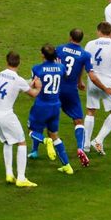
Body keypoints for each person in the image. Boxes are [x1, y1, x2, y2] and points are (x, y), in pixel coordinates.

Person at [54, 28, 111, 166]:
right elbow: (92, 76)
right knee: (78, 121)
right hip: (70, 91)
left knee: (47, 118)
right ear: (81, 39)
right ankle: (81, 148)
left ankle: (40, 146)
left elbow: (52, 64)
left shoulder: (59, 49)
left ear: (70, 36)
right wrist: (105, 88)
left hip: (55, 88)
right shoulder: (84, 54)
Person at [0, 51, 40, 187]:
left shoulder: (0, 74)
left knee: (7, 141)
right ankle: (21, 178)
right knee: (22, 142)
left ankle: (9, 174)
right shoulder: (18, 80)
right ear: (19, 63)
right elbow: (33, 94)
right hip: (5, 115)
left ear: (6, 61)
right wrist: (38, 87)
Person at [27, 44, 74, 175]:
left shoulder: (37, 69)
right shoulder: (61, 67)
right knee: (54, 135)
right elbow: (65, 76)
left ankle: (45, 142)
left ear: (43, 55)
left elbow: (35, 86)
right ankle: (67, 165)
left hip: (42, 105)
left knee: (32, 130)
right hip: (55, 105)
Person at [84, 22, 111, 155]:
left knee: (91, 110)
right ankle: (98, 140)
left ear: (99, 31)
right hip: (106, 81)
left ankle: (85, 145)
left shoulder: (90, 44)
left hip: (92, 79)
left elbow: (84, 63)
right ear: (110, 32)